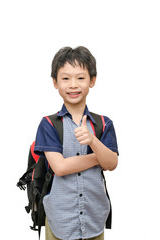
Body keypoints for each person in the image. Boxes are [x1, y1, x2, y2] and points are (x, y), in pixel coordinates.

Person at [34, 46, 119, 240]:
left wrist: (93, 140)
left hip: (94, 217)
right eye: (65, 78)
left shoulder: (104, 123)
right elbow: (61, 167)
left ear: (92, 80)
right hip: (59, 218)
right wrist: (98, 157)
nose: (73, 85)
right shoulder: (49, 124)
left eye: (80, 78)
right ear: (55, 82)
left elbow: (112, 164)